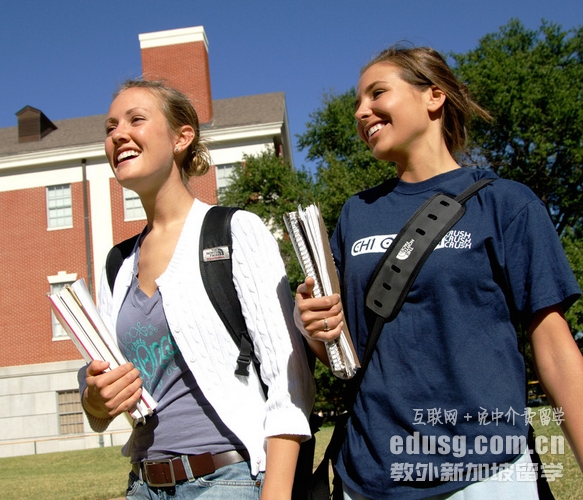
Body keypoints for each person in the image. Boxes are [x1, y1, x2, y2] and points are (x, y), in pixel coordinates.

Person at [295, 45, 583, 499]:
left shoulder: (505, 203)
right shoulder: (356, 214)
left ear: (433, 96)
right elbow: (340, 351)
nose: (360, 111)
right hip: (372, 477)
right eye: (357, 102)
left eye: (377, 93)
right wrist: (311, 323)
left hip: (485, 475)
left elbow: (555, 348)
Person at [78, 79, 315, 500]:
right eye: (110, 127)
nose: (117, 135)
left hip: (228, 482)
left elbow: (289, 376)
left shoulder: (233, 231)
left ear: (181, 137)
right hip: (143, 485)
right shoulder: (117, 264)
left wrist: (275, 494)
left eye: (136, 120)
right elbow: (99, 401)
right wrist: (96, 399)